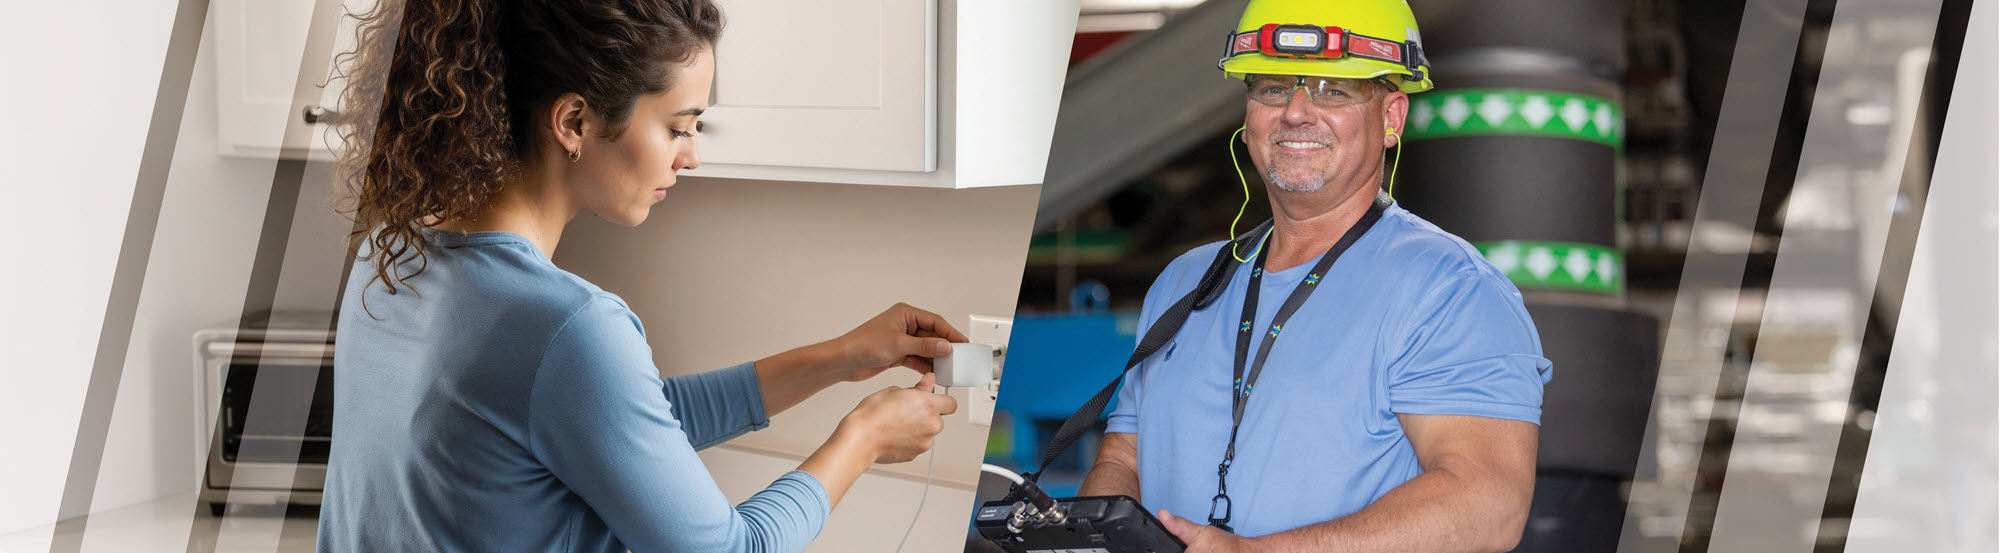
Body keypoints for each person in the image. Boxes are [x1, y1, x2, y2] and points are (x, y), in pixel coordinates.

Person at [315, 1, 957, 552]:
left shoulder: (389, 256)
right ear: (573, 122)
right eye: (679, 127)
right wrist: (863, 439)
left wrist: (840, 359)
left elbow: (610, 423)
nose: (692, 156)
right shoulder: (567, 326)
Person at [1075, 1, 1554, 551]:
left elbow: (1486, 505)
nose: (1297, 113)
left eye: (1335, 89)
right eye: (1273, 88)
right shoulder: (1184, 283)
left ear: (1392, 118)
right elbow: (1125, 454)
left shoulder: (1449, 290)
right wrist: (1096, 534)